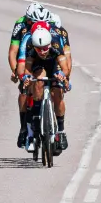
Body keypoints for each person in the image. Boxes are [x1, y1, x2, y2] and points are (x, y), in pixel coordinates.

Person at [17, 21, 71, 153]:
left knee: (57, 92)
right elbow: (27, 68)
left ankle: (61, 131)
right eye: (39, 49)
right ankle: (34, 121)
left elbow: (66, 68)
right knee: (38, 81)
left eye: (45, 48)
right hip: (38, 65)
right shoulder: (30, 45)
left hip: (54, 64)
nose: (42, 51)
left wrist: (62, 76)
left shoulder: (56, 43)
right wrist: (27, 77)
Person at [10, 2, 52, 148]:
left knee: (44, 82)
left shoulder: (50, 25)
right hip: (26, 56)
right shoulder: (21, 26)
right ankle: (24, 128)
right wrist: (17, 73)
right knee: (24, 90)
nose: (35, 24)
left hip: (43, 55)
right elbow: (13, 52)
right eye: (31, 22)